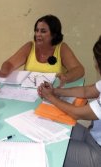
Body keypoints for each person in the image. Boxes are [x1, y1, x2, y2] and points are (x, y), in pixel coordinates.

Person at [37, 35, 101, 167]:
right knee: (51, 125)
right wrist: (55, 91)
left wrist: (51, 98)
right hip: (93, 136)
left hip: (96, 154)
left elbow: (78, 113)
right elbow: (87, 91)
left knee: (47, 147)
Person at [0, 14, 84, 87]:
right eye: (37, 30)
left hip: (52, 94)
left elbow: (79, 70)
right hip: (28, 94)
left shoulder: (62, 48)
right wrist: (5, 71)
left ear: (54, 34)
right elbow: (10, 63)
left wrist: (66, 77)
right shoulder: (29, 46)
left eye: (43, 31)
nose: (38, 34)